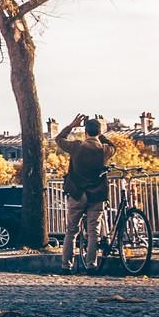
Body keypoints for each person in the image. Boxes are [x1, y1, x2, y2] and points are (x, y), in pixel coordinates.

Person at [58, 114, 114, 272]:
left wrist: (72, 125)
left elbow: (59, 139)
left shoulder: (76, 147)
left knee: (71, 231)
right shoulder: (104, 150)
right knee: (93, 231)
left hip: (77, 194)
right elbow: (112, 145)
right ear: (98, 133)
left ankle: (66, 265)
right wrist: (100, 132)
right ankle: (91, 264)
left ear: (85, 132)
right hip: (96, 195)